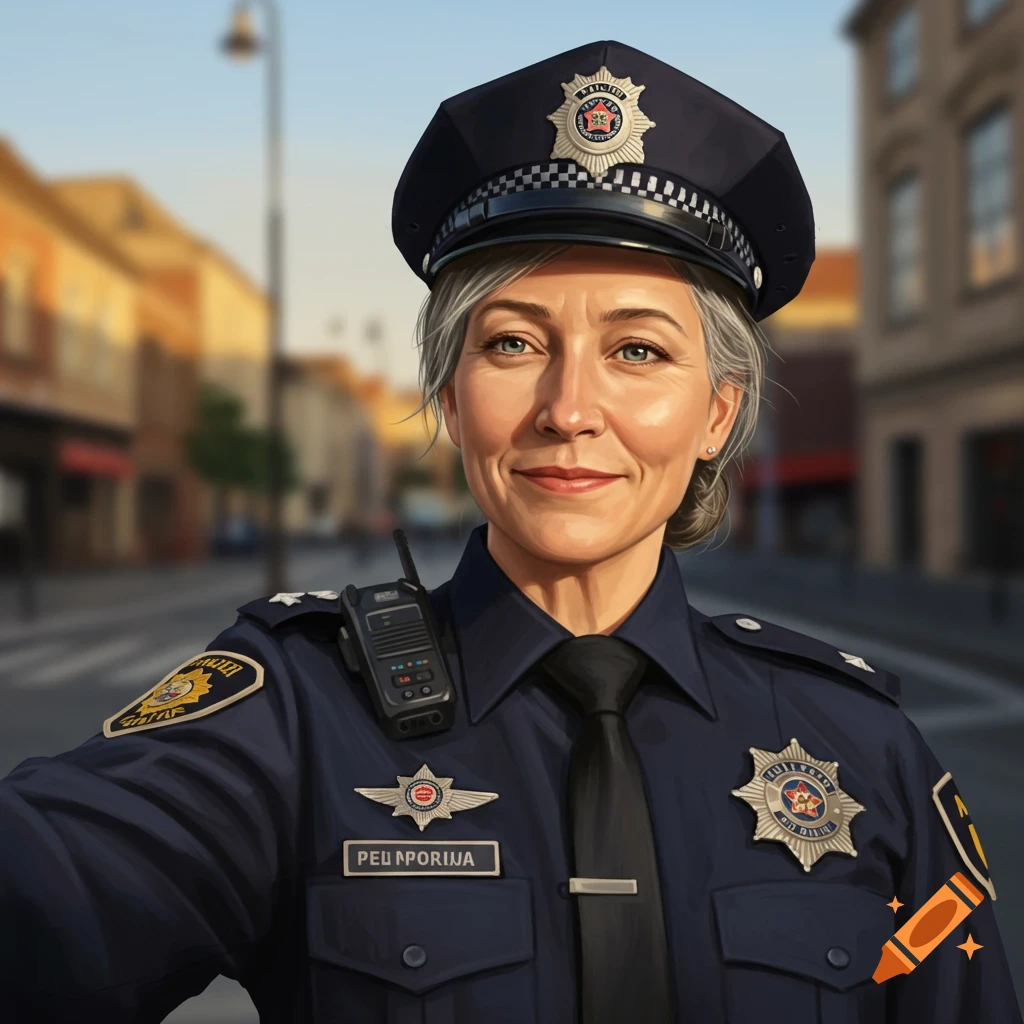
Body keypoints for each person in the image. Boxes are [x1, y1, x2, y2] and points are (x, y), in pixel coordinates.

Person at [2, 39, 1021, 1024]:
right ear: (449, 396)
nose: (569, 407)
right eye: (513, 342)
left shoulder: (861, 743)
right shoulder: (294, 716)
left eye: (636, 348)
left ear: (716, 413)